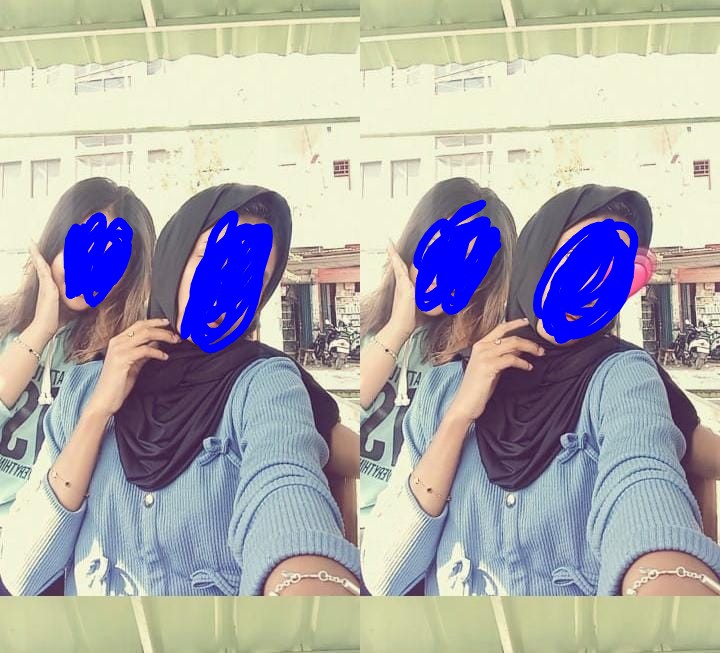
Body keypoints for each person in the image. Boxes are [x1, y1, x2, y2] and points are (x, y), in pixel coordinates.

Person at [0, 184, 360, 596]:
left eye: (252, 274)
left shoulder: (263, 381)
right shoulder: (94, 377)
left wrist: (306, 583)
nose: (225, 287)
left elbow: (286, 477)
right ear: (175, 254)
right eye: (210, 256)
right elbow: (23, 574)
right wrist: (98, 411)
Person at [361, 184, 720, 596]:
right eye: (577, 260)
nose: (588, 288)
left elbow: (644, 476)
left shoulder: (621, 375)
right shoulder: (446, 383)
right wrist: (458, 417)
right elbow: (385, 576)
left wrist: (666, 581)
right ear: (536, 255)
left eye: (612, 272)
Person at [0, 177, 156, 595]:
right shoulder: (5, 324)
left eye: (111, 256)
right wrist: (40, 330)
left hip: (48, 554)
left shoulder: (119, 359)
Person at [359, 178, 517, 535]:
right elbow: (357, 405)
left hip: (405, 532)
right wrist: (399, 328)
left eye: (469, 266)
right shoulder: (368, 325)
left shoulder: (475, 360)